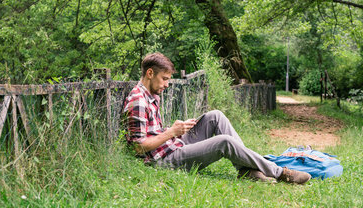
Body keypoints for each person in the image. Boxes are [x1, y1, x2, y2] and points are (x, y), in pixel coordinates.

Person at [122, 52, 311, 184]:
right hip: (163, 161)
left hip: (171, 146)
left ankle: (246, 171)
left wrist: (175, 132)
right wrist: (171, 132)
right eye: (164, 78)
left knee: (215, 116)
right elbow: (139, 147)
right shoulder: (138, 100)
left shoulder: (150, 96)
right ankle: (280, 173)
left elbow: (153, 133)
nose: (167, 84)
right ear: (149, 73)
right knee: (224, 142)